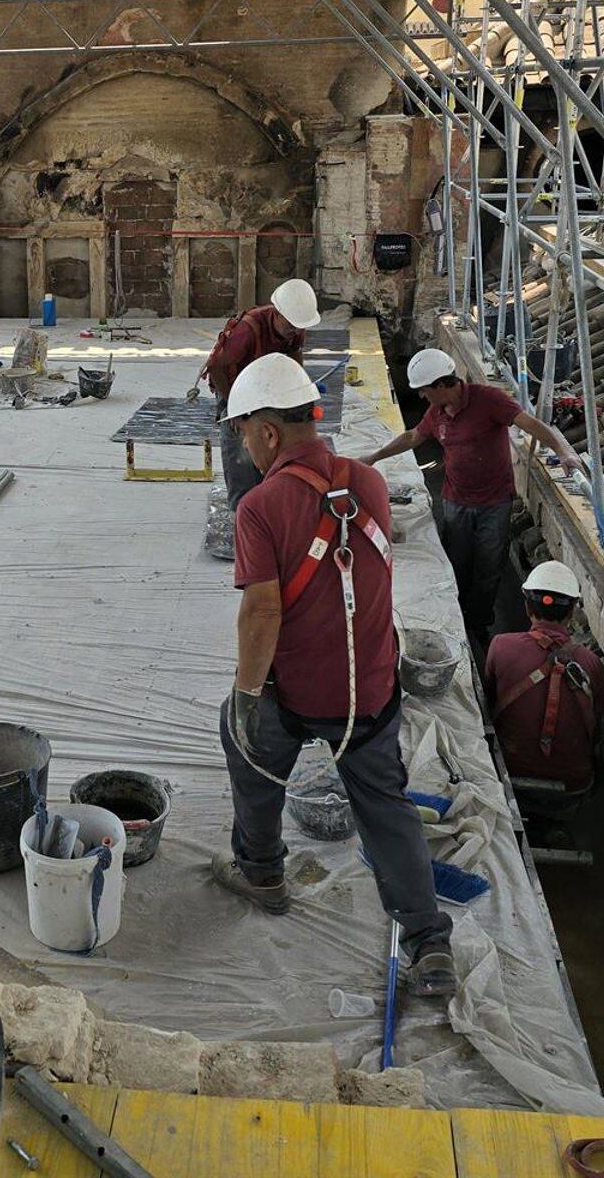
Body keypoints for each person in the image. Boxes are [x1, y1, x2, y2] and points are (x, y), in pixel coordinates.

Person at [211, 353, 457, 998]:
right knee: (387, 807)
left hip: (294, 694)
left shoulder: (261, 508)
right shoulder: (366, 483)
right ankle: (429, 941)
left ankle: (262, 872)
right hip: (370, 691)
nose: (244, 447)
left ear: (267, 432)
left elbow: (263, 610)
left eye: (243, 433)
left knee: (247, 748)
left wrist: (245, 694)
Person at [367, 349, 581, 647]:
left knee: (488, 566)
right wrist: (375, 456)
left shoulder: (488, 400)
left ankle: (478, 624)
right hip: (455, 500)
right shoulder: (437, 412)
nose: (422, 397)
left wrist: (563, 450)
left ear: (442, 386)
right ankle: (456, 620)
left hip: (494, 503)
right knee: (455, 561)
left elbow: (528, 423)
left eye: (425, 391)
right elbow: (413, 437)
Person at [188, 279, 322, 509]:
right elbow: (217, 367)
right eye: (291, 325)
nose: (296, 330)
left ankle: (268, 502)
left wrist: (299, 392)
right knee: (240, 448)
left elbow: (294, 359)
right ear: (277, 314)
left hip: (264, 387)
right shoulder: (248, 330)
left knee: (272, 444)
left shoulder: (294, 328)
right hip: (232, 386)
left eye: (299, 326)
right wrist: (233, 407)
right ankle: (241, 508)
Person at [484, 561, 604, 804]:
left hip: (508, 772)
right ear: (571, 612)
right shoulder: (592, 664)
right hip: (572, 787)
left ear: (527, 606)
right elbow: (595, 727)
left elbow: (487, 705)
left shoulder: (501, 646)